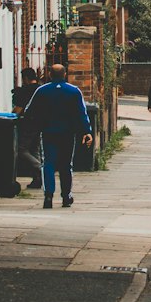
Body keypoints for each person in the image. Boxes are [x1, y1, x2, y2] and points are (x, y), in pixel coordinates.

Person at [24, 64, 92, 208]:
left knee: (48, 163)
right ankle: (66, 196)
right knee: (66, 165)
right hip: (68, 133)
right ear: (65, 74)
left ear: (50, 74)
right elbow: (82, 113)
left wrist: (37, 124)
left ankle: (48, 196)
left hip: (48, 133)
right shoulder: (74, 91)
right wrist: (87, 131)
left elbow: (29, 111)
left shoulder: (41, 91)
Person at [12, 67, 43, 189]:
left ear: (25, 78)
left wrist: (12, 116)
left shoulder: (25, 91)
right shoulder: (41, 89)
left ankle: (39, 168)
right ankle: (37, 179)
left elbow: (18, 110)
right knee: (34, 150)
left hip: (28, 124)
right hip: (40, 123)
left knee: (21, 149)